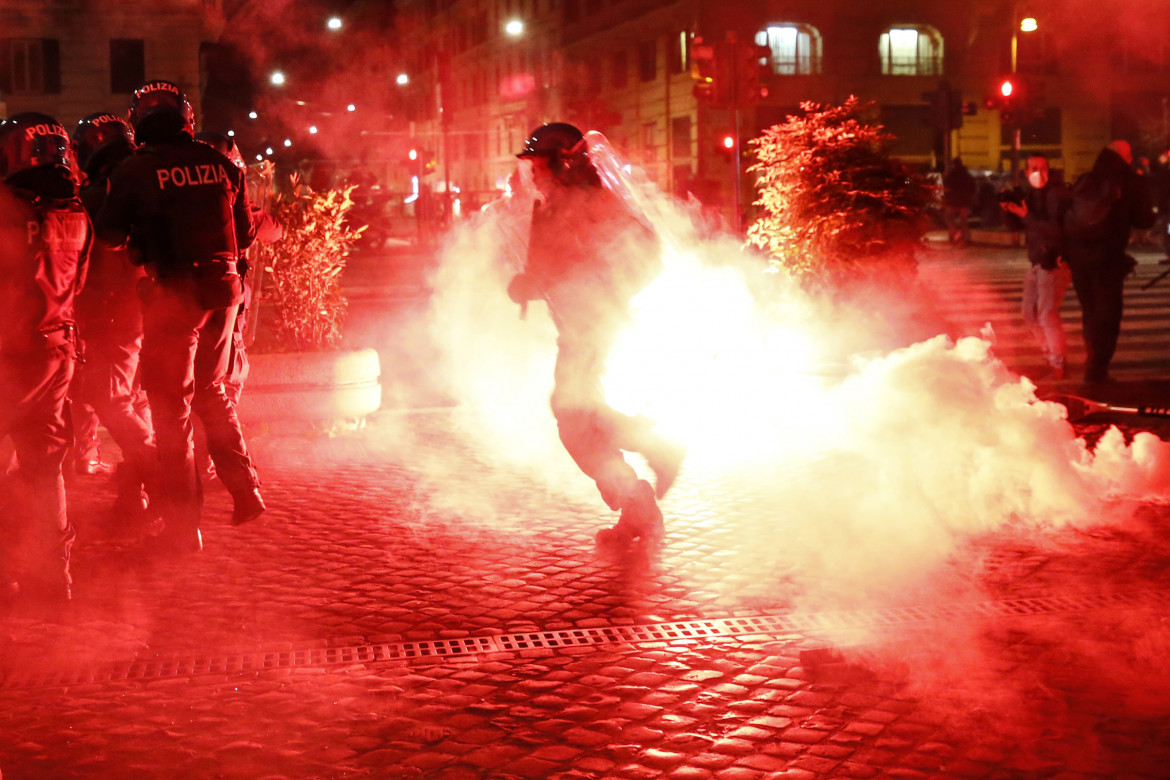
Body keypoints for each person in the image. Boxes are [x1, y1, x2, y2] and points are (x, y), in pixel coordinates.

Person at [96, 80, 264, 555]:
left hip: (175, 294)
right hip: (226, 291)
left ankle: (183, 526)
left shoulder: (134, 169)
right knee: (212, 392)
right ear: (185, 118)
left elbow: (107, 235)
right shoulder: (221, 163)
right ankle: (246, 490)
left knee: (171, 410)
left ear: (139, 122)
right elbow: (246, 234)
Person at [506, 122, 684, 548]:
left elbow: (610, 257)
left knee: (573, 418)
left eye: (537, 164)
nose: (532, 173)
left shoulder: (585, 201)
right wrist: (530, 281)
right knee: (580, 416)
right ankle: (638, 507)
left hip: (590, 324)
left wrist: (550, 281)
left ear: (562, 161)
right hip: (580, 324)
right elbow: (552, 266)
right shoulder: (556, 203)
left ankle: (655, 449)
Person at [0, 113, 92, 602]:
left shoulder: (4, 208)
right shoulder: (77, 213)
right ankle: (54, 577)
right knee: (45, 469)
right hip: (57, 352)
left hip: (8, 358)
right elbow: (77, 285)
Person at [69, 112, 160, 520]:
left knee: (112, 400)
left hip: (114, 313)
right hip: (156, 308)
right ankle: (136, 493)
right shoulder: (149, 182)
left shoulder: (95, 195)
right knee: (135, 400)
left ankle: (162, 473)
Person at [1063, 140, 1155, 384]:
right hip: (1108, 257)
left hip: (1079, 256)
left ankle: (1091, 357)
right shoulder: (1131, 181)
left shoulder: (1086, 178)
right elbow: (1144, 220)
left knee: (1090, 309)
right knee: (1108, 313)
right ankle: (1098, 366)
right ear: (1125, 156)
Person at [1000, 154, 1072, 380]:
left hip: (1054, 261)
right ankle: (1050, 356)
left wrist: (1027, 215)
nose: (1038, 172)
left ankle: (1058, 364)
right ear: (1025, 172)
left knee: (1047, 315)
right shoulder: (1030, 194)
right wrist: (1008, 211)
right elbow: (1020, 226)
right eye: (1033, 168)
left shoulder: (1057, 195)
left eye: (1043, 168)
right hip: (1037, 261)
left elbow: (1056, 230)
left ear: (1049, 171)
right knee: (1029, 314)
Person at [943, 157, 977, 246]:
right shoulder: (967, 175)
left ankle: (953, 235)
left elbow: (946, 188)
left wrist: (947, 198)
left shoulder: (951, 175)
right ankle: (965, 239)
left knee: (949, 218)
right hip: (965, 202)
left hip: (952, 201)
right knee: (964, 221)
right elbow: (973, 188)